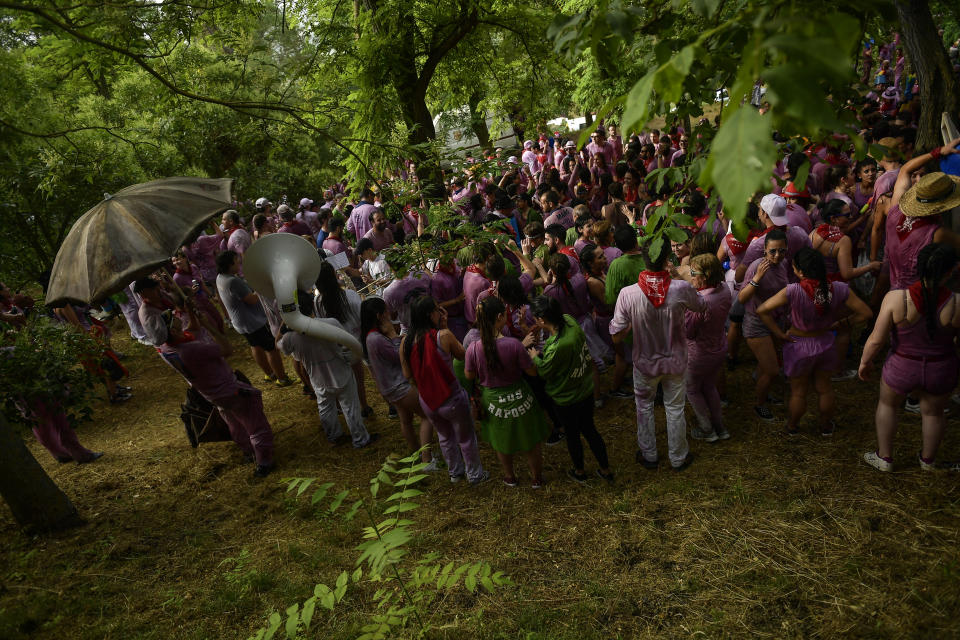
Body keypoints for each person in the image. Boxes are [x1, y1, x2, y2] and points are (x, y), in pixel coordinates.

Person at [859, 244, 960, 471]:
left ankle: (884, 457)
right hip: (941, 369)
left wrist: (865, 361)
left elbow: (876, 339)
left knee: (888, 404)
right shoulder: (957, 303)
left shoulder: (896, 298)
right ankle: (928, 461)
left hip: (901, 367)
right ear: (951, 271)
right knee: (934, 413)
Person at [609, 234, 706, 471]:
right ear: (667, 259)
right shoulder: (681, 289)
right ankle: (678, 457)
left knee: (644, 407)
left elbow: (616, 334)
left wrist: (632, 326)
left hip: (644, 363)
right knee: (675, 408)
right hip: (676, 361)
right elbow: (702, 306)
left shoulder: (628, 294)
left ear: (644, 259)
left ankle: (649, 455)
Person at [757, 248, 872, 436]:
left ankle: (792, 426)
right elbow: (866, 313)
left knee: (798, 392)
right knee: (825, 388)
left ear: (801, 272)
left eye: (794, 268)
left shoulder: (792, 291)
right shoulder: (838, 288)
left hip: (798, 345)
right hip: (826, 343)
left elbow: (762, 310)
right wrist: (843, 323)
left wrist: (779, 333)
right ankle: (826, 426)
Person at [164, 295, 276, 477]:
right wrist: (208, 326)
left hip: (213, 394)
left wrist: (192, 314)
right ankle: (264, 461)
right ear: (173, 331)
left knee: (234, 422)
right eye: (174, 321)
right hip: (230, 390)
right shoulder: (192, 350)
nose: (177, 318)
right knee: (255, 423)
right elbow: (226, 349)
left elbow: (190, 330)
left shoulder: (168, 349)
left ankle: (249, 452)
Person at [400, 296, 488, 485]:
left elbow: (407, 374)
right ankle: (475, 475)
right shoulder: (444, 335)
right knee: (465, 438)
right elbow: (463, 356)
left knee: (445, 436)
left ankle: (455, 473)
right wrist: (444, 328)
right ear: (430, 314)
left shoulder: (405, 343)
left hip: (427, 399)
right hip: (452, 396)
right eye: (436, 310)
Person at [465, 297, 549, 487]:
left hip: (493, 400)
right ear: (500, 317)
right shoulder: (514, 345)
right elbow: (532, 372)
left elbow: (469, 375)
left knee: (501, 439)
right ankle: (536, 478)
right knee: (531, 439)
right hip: (519, 395)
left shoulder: (474, 348)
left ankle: (510, 476)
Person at [527, 295, 613, 483]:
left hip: (566, 398)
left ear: (542, 320)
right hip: (585, 389)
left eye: (535, 318)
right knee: (590, 430)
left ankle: (580, 471)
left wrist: (533, 354)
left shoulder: (558, 346)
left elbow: (544, 370)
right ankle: (605, 469)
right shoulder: (569, 321)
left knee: (573, 434)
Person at [276, 303, 377, 449]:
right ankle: (361, 439)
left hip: (317, 377)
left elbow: (278, 345)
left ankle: (334, 437)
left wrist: (284, 323)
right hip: (340, 371)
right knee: (350, 407)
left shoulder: (290, 337)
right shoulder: (330, 323)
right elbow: (346, 342)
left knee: (325, 408)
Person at [361, 297, 436, 467]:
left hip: (389, 388)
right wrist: (394, 336)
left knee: (406, 420)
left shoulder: (371, 336)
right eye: (386, 311)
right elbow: (399, 355)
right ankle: (427, 459)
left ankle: (416, 453)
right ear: (380, 315)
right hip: (399, 386)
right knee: (427, 416)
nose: (389, 313)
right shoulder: (377, 339)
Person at [215, 250, 292, 386]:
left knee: (255, 345)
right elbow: (251, 300)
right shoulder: (233, 281)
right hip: (253, 322)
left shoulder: (220, 277)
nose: (238, 262)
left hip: (240, 322)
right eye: (235, 260)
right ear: (229, 264)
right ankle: (282, 378)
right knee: (271, 349)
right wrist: (262, 287)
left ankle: (270, 374)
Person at [737, 229, 789, 422]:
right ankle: (759, 404)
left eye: (782, 251)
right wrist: (757, 279)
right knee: (772, 370)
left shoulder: (784, 264)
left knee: (767, 363)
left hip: (776, 320)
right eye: (772, 251)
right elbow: (742, 298)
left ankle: (763, 388)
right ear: (764, 250)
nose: (777, 256)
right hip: (757, 324)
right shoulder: (756, 267)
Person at [313, 261, 373, 417]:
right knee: (358, 378)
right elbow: (361, 317)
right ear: (334, 277)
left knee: (344, 382)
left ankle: (347, 409)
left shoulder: (317, 302)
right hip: (354, 344)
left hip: (335, 348)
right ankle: (364, 406)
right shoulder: (348, 295)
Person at [684, 254, 733, 442]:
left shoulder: (700, 302)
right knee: (710, 386)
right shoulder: (724, 289)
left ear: (705, 276)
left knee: (693, 389)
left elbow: (689, 332)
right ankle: (720, 428)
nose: (691, 276)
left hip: (698, 354)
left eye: (693, 273)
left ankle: (707, 429)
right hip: (719, 347)